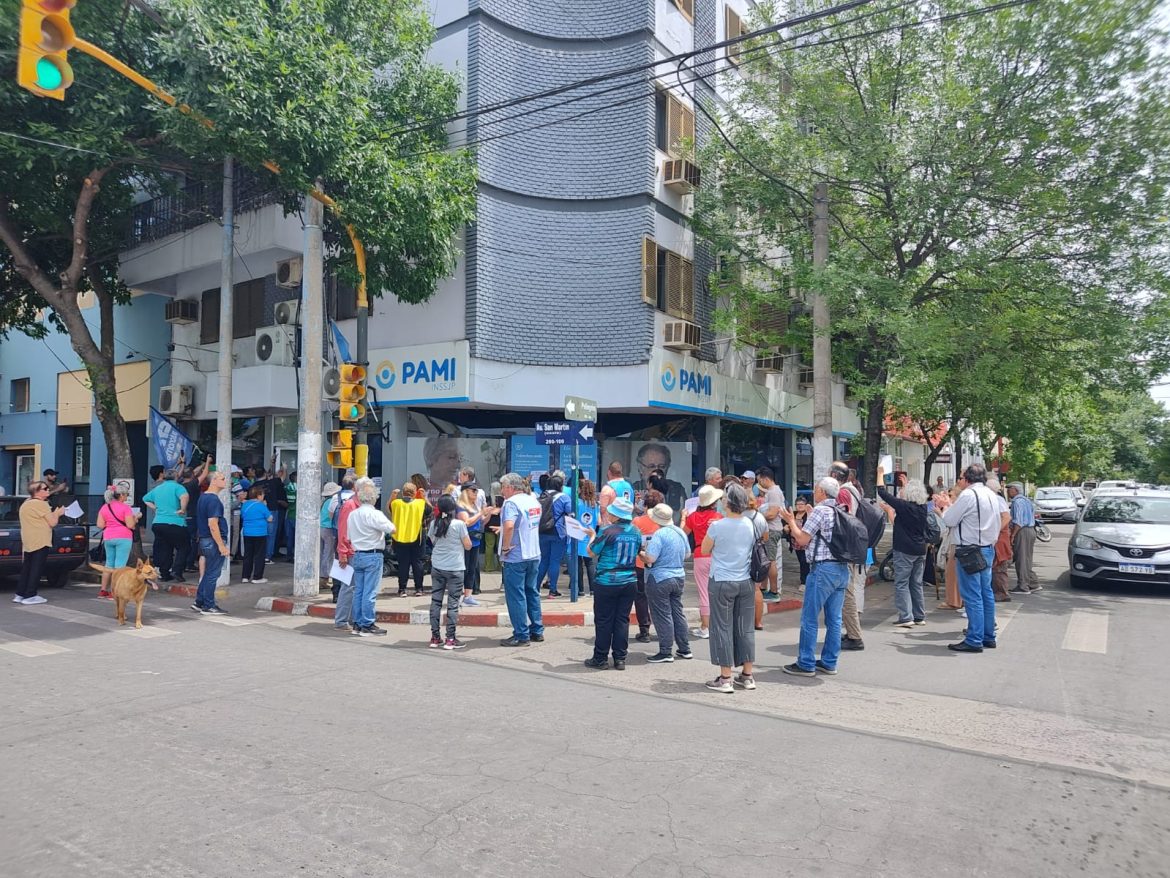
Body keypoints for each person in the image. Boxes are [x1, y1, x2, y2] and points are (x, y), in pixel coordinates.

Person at [778, 476, 851, 677]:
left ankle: (806, 662)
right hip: (841, 569)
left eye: (817, 488)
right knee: (834, 620)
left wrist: (791, 522)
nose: (815, 491)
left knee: (809, 617)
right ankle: (829, 661)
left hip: (822, 569)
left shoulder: (820, 511)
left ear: (821, 492)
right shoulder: (841, 510)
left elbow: (801, 539)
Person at [699, 482, 763, 692]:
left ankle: (725, 678)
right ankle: (747, 675)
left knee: (722, 628)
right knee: (745, 628)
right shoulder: (750, 524)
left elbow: (706, 549)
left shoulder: (717, 526)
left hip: (722, 581)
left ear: (728, 502)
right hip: (745, 581)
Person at [941, 464, 1001, 653]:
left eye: (961, 477)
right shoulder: (991, 494)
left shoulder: (968, 495)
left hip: (970, 549)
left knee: (972, 595)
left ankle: (974, 639)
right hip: (987, 547)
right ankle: (988, 635)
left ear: (967, 478)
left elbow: (949, 520)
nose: (959, 480)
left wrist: (945, 507)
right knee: (986, 594)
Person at [583, 497, 641, 670]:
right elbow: (638, 550)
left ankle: (600, 658)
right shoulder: (636, 531)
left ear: (615, 515)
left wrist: (592, 536)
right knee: (622, 620)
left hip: (607, 581)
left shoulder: (607, 531)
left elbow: (591, 552)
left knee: (604, 620)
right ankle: (620, 658)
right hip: (629, 580)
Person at [876, 464, 929, 629]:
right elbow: (910, 495)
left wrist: (880, 474)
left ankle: (906, 616)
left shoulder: (904, 507)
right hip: (920, 549)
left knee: (902, 582)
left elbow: (882, 492)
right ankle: (919, 615)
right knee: (916, 583)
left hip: (904, 549)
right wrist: (906, 484)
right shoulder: (923, 508)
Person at [640, 503, 692, 662]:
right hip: (678, 576)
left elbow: (651, 558)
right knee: (677, 612)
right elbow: (687, 554)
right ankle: (684, 648)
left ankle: (665, 651)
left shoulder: (659, 535)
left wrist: (642, 553)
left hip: (659, 577)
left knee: (662, 614)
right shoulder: (680, 532)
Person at [498, 472, 544, 647]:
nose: (502, 491)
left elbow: (509, 526)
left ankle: (521, 634)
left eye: (503, 487)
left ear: (510, 487)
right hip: (533, 552)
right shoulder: (532, 499)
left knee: (516, 595)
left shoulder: (511, 503)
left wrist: (505, 547)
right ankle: (537, 630)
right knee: (532, 591)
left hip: (516, 555)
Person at [347, 478, 395, 636]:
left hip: (358, 554)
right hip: (372, 554)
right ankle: (367, 624)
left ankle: (357, 623)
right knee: (370, 592)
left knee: (359, 591)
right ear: (374, 498)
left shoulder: (353, 515)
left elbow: (348, 536)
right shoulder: (375, 514)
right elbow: (391, 528)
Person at [830, 461, 867, 651]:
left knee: (847, 592)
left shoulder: (843, 492)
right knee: (846, 590)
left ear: (835, 476)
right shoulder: (852, 490)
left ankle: (854, 636)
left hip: (846, 547)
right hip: (852, 546)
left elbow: (841, 519)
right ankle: (851, 632)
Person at [427, 495, 472, 649]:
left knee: (436, 601)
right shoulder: (459, 525)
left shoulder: (434, 524)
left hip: (438, 566)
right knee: (453, 604)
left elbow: (432, 541)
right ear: (453, 509)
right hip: (455, 568)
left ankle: (435, 637)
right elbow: (468, 546)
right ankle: (450, 639)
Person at [14, 480, 65, 605]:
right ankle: (30, 594)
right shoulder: (41, 504)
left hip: (28, 539)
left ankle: (20, 594)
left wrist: (53, 514)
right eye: (45, 488)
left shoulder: (26, 503)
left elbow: (42, 519)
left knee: (27, 567)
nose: (48, 490)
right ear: (37, 491)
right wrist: (58, 513)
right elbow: (52, 523)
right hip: (40, 539)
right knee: (36, 568)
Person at [682, 484, 722, 640]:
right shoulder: (718, 517)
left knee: (704, 592)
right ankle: (716, 624)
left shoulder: (693, 517)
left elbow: (683, 533)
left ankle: (705, 626)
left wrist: (684, 517)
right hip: (717, 555)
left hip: (700, 554)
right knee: (717, 591)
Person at [143, 468, 189, 583]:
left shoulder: (158, 488)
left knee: (165, 548)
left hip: (158, 523)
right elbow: (184, 496)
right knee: (184, 547)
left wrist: (155, 508)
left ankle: (164, 573)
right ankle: (177, 570)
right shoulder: (178, 487)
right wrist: (182, 509)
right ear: (176, 477)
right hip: (175, 522)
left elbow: (145, 499)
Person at [193, 469, 230, 615]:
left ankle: (199, 601)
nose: (224, 481)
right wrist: (221, 545)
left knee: (209, 572)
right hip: (212, 540)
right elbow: (213, 524)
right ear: (213, 480)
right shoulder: (213, 500)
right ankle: (209, 605)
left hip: (205, 539)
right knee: (213, 574)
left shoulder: (203, 497)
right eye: (221, 478)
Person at [630, 489, 664, 643]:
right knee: (660, 597)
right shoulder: (663, 522)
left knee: (641, 597)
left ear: (644, 505)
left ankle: (644, 630)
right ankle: (664, 629)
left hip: (641, 563)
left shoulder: (637, 521)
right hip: (660, 564)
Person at [95, 485, 138, 599]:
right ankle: (115, 591)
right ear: (121, 495)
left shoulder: (105, 507)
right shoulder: (126, 508)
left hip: (108, 537)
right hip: (123, 537)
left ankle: (103, 590)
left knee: (109, 564)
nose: (127, 497)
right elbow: (130, 525)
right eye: (126, 495)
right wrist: (136, 518)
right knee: (120, 565)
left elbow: (100, 525)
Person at [536, 471, 572, 598]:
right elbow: (571, 513)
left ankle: (535, 588)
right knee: (555, 561)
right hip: (558, 532)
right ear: (560, 485)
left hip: (542, 532)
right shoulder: (564, 497)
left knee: (543, 560)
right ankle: (552, 590)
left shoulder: (541, 496)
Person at [389, 482, 429, 597]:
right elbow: (429, 510)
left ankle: (402, 589)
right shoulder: (420, 503)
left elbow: (389, 507)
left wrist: (392, 496)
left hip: (400, 538)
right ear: (415, 492)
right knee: (418, 563)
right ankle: (419, 589)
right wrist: (424, 496)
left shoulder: (396, 503)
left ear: (403, 492)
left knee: (403, 564)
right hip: (417, 538)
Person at [333, 476, 362, 631]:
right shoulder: (350, 505)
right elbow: (343, 530)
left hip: (355, 550)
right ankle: (342, 619)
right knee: (348, 586)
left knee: (354, 586)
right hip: (349, 551)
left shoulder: (357, 504)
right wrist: (342, 552)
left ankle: (349, 618)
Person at [456, 482, 491, 606]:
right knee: (463, 569)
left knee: (472, 569)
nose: (476, 493)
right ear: (465, 492)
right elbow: (467, 522)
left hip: (475, 541)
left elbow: (481, 522)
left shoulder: (474, 506)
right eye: (473, 490)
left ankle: (468, 596)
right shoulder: (461, 506)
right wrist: (481, 513)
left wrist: (489, 513)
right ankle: (457, 595)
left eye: (477, 491)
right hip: (464, 542)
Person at [755, 467, 787, 601]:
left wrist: (758, 515)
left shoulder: (774, 492)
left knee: (771, 561)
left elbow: (773, 513)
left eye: (759, 480)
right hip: (770, 529)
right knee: (767, 560)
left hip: (772, 530)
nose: (759, 484)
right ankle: (764, 588)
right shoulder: (773, 491)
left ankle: (774, 592)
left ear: (765, 478)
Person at [632, 442, 687, 513]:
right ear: (640, 468)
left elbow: (683, 513)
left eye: (662, 466)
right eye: (651, 466)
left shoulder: (677, 489)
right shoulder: (633, 489)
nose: (657, 470)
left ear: (667, 467)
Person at [1007, 482, 1040, 592]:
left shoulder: (1018, 502)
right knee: (1026, 558)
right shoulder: (1026, 500)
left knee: (1021, 559)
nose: (1007, 491)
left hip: (1022, 531)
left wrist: (1013, 535)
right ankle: (1032, 582)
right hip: (1030, 530)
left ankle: (1023, 586)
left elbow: (1019, 522)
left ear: (1016, 490)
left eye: (1009, 488)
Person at [986, 476, 1014, 601]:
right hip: (997, 537)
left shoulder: (997, 500)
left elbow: (1006, 517)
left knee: (999, 566)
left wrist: (996, 531)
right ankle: (998, 591)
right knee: (996, 566)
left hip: (999, 538)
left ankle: (1002, 592)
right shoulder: (995, 499)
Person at [574, 478, 601, 596]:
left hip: (578, 536)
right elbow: (599, 522)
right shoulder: (595, 505)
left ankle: (580, 590)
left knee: (578, 564)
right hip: (590, 536)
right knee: (590, 563)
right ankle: (593, 589)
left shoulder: (577, 503)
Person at [240, 485, 271, 584]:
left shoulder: (245, 505)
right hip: (260, 533)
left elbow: (242, 516)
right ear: (259, 495)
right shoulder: (261, 506)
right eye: (262, 495)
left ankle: (245, 576)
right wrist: (265, 506)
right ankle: (257, 577)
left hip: (247, 533)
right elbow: (270, 518)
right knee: (259, 555)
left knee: (248, 555)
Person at [318, 481, 342, 587]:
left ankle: (322, 575)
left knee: (323, 553)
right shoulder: (333, 500)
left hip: (321, 527)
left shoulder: (324, 501)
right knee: (328, 554)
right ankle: (325, 577)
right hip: (329, 529)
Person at [785, 496, 811, 586]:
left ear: (806, 505)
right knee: (801, 561)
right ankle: (806, 579)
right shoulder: (793, 514)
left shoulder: (808, 515)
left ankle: (804, 582)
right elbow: (787, 525)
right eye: (798, 504)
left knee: (804, 562)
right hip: (796, 543)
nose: (800, 506)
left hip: (806, 542)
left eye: (802, 504)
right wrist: (786, 528)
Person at [282, 471, 298, 561]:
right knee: (297, 538)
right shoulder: (300, 488)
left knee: (289, 537)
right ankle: (295, 555)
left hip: (289, 514)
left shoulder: (287, 487)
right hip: (297, 515)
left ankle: (289, 555)